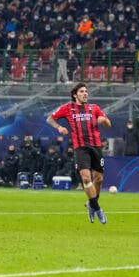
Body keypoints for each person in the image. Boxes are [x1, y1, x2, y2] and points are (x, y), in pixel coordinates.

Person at [47, 83, 111, 224]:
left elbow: (108, 124)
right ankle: (98, 209)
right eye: (82, 91)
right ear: (75, 95)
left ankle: (92, 203)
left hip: (96, 146)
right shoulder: (68, 108)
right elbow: (49, 118)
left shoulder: (94, 108)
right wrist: (58, 127)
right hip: (80, 148)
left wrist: (104, 121)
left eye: (86, 91)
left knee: (98, 179)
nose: (85, 93)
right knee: (86, 178)